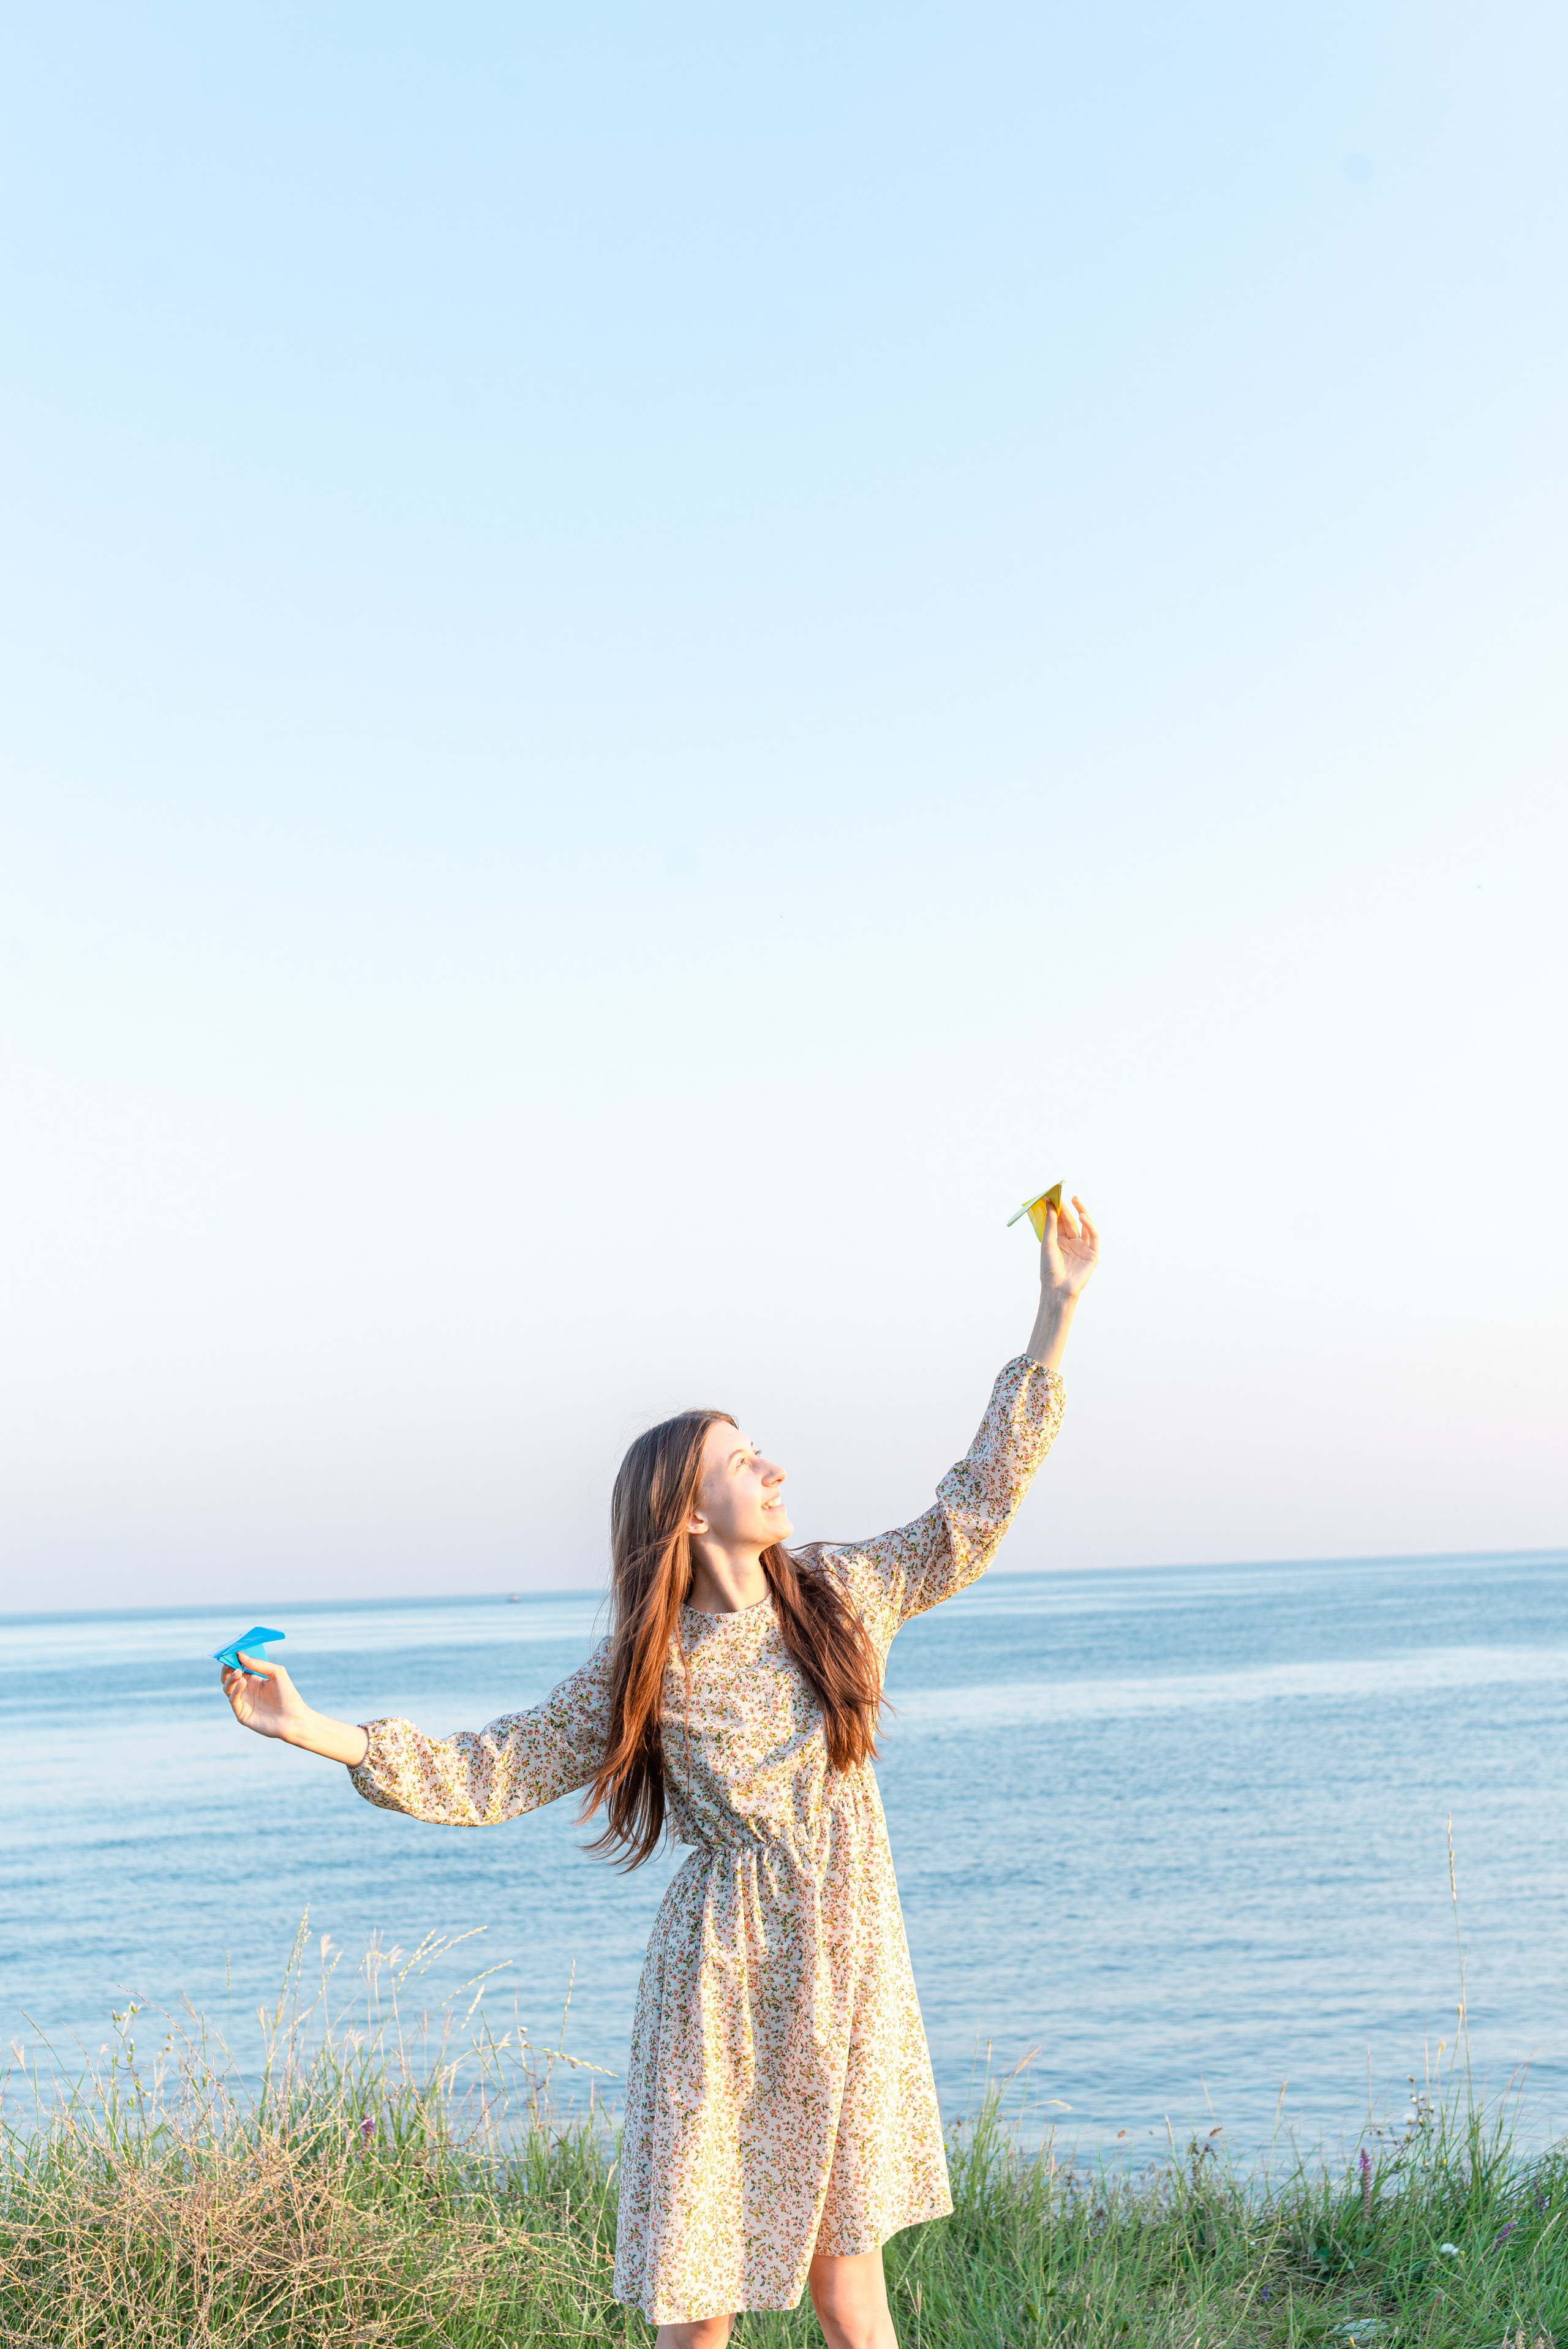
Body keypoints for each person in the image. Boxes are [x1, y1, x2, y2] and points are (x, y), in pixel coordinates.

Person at [222, 1196, 1100, 2348]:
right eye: (744, 1460)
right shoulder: (647, 1669)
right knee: (701, 2304)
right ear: (690, 1510)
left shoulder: (840, 1594)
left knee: (851, 2290)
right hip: (722, 1982)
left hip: (850, 1961)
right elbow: (496, 1769)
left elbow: (969, 1513)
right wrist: (312, 1729)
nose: (774, 1467)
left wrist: (1056, 1312)